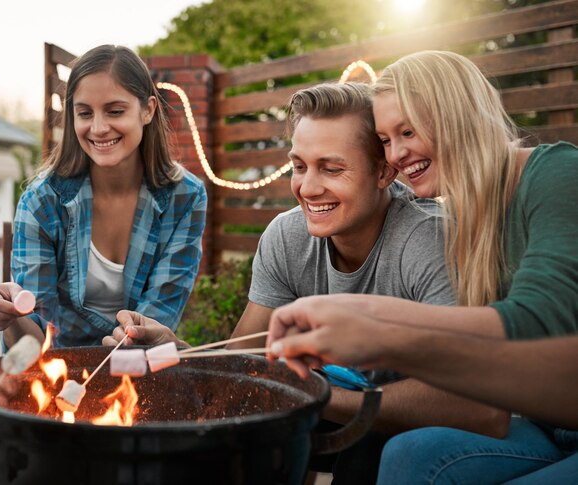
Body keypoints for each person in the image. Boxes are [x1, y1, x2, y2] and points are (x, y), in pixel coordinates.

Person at [104, 82, 509, 481]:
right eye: (299, 166)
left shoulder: (428, 241)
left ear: (384, 171)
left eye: (331, 169)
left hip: (443, 432)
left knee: (364, 449)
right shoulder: (287, 236)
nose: (307, 188)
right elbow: (243, 365)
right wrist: (174, 353)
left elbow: (478, 405)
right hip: (349, 406)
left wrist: (315, 396)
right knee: (247, 432)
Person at [276, 50, 578, 483]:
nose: (396, 155)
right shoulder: (472, 219)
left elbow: (535, 323)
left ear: (456, 114)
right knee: (409, 453)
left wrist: (374, 327)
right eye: (384, 140)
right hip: (542, 425)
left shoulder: (558, 173)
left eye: (408, 131)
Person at [0, 45, 207, 348]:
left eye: (115, 111)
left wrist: (130, 343)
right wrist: (10, 315)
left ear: (148, 110)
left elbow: (157, 321)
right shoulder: (42, 201)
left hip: (137, 365)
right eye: (85, 113)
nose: (98, 128)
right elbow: (34, 343)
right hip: (57, 369)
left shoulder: (185, 196)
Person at [266, 295, 578, 484]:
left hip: (552, 417)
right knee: (410, 453)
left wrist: (380, 338)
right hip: (543, 423)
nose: (308, 189)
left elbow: (516, 330)